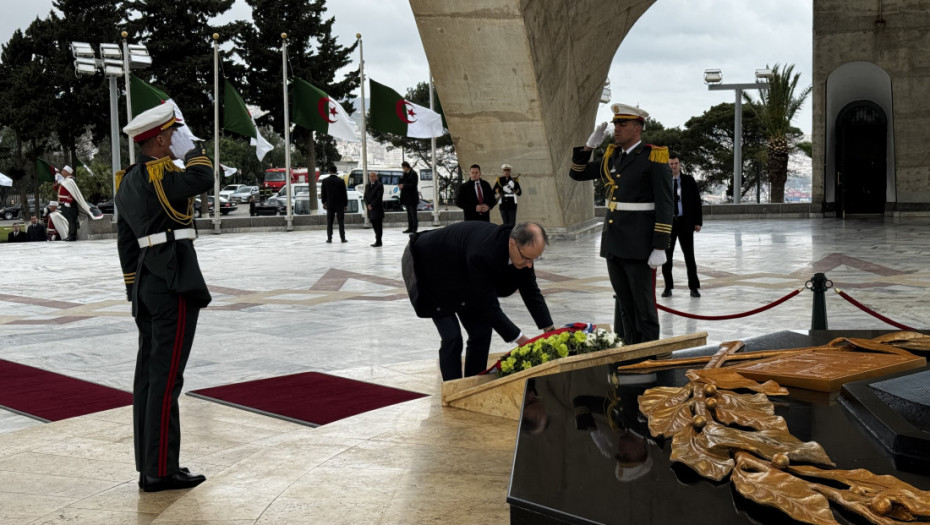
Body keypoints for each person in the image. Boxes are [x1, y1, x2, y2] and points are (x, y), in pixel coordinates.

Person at [115, 102, 213, 493]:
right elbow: (203, 176)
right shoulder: (160, 177)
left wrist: (131, 288)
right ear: (160, 139)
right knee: (166, 379)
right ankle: (160, 471)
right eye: (175, 134)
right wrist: (191, 151)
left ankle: (151, 465)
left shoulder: (127, 182)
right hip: (173, 283)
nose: (180, 141)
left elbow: (126, 243)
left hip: (146, 286)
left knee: (148, 379)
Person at [568, 103, 673, 344]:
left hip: (639, 244)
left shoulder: (653, 157)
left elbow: (665, 205)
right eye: (615, 124)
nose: (616, 128)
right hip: (614, 242)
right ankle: (629, 353)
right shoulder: (613, 156)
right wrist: (589, 146)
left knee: (643, 309)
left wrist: (660, 246)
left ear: (637, 129)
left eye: (622, 124)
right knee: (625, 306)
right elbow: (577, 173)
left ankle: (647, 356)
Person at [402, 221, 556, 381]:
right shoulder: (484, 252)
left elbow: (531, 291)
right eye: (526, 258)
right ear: (512, 243)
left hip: (462, 272)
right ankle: (453, 389)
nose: (529, 264)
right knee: (452, 337)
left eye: (534, 259)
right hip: (429, 266)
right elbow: (488, 306)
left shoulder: (523, 256)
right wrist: (521, 339)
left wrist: (549, 329)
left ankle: (473, 383)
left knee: (481, 332)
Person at [661, 155, 703, 298]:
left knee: (689, 257)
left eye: (676, 163)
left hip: (685, 223)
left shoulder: (689, 180)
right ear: (668, 165)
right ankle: (668, 287)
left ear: (680, 164)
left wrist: (698, 222)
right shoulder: (664, 181)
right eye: (671, 164)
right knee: (667, 257)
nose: (674, 166)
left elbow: (697, 202)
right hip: (668, 224)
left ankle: (694, 287)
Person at [57, 165, 100, 241]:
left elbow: (72, 193)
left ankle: (72, 236)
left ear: (67, 172)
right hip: (64, 203)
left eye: (63, 171)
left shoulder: (70, 181)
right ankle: (70, 235)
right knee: (69, 220)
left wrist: (68, 202)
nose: (62, 172)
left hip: (69, 204)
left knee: (71, 220)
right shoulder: (65, 181)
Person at [320, 165, 348, 243]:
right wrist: (345, 204)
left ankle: (329, 238)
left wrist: (324, 202)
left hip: (330, 204)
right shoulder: (341, 181)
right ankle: (342, 238)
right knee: (341, 221)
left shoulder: (325, 181)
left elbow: (323, 193)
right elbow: (344, 194)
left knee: (329, 222)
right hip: (340, 204)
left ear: (329, 171)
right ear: (336, 171)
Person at [364, 171, 384, 247]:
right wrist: (367, 205)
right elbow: (365, 196)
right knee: (374, 225)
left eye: (373, 176)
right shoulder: (367, 185)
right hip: (370, 209)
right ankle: (377, 240)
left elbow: (379, 197)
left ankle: (379, 241)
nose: (371, 178)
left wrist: (372, 204)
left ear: (376, 177)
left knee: (378, 226)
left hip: (377, 209)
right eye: (370, 176)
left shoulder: (379, 185)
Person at [399, 161, 419, 233]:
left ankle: (414, 228)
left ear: (406, 167)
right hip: (407, 197)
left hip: (412, 197)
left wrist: (404, 186)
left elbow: (413, 185)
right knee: (409, 214)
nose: (403, 170)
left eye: (403, 168)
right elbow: (403, 181)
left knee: (413, 214)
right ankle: (410, 228)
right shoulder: (405, 174)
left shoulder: (413, 174)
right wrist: (400, 184)